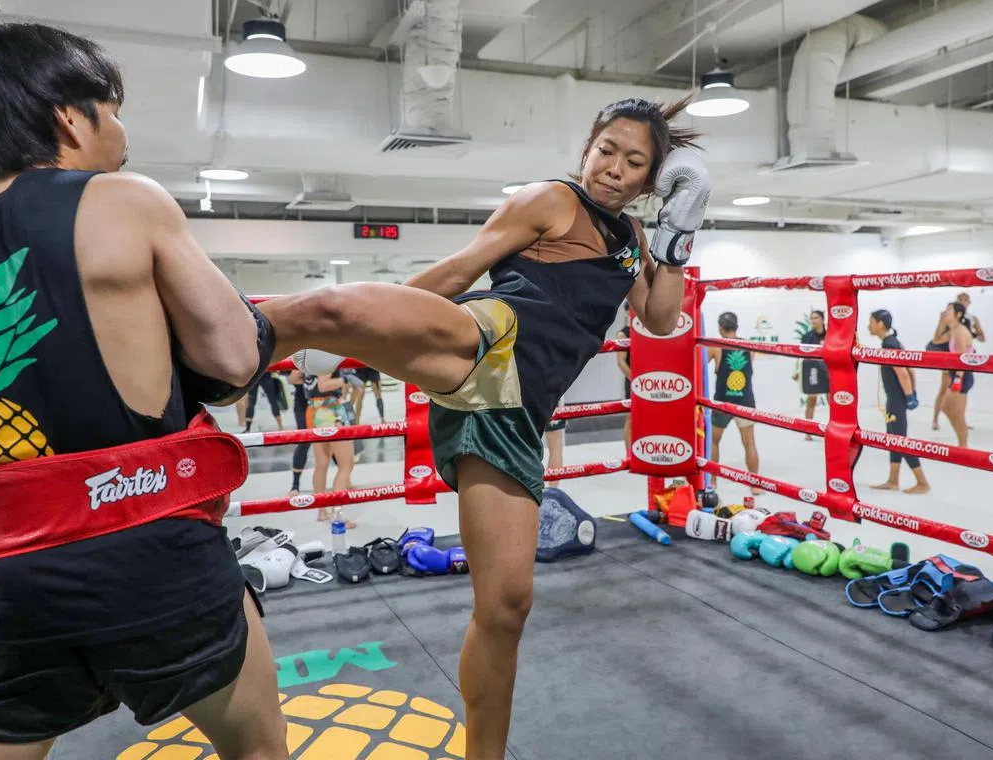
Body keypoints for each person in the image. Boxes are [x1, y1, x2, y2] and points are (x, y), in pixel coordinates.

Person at [0, 24, 291, 760]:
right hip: (160, 564)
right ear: (70, 115)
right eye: (116, 108)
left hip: (16, 587)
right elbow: (233, 359)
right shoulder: (126, 201)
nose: (123, 131)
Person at [294, 97, 708, 758]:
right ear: (587, 148)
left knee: (507, 607)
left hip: (514, 416)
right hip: (493, 341)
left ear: (649, 181)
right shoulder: (550, 200)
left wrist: (679, 237)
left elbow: (661, 320)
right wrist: (363, 334)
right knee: (342, 312)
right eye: (607, 151)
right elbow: (461, 270)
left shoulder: (633, 241)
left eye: (633, 163)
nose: (613, 170)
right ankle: (259, 332)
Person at [867, 310, 930, 494]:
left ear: (880, 324)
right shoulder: (892, 342)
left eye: (871, 321)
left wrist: (910, 396)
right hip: (893, 400)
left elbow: (902, 372)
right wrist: (912, 393)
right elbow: (910, 369)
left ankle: (922, 482)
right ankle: (893, 480)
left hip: (896, 401)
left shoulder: (890, 345)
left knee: (900, 441)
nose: (868, 325)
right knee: (893, 439)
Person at [706, 312, 762, 494]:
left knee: (713, 441)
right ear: (736, 326)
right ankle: (754, 485)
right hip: (745, 400)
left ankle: (712, 482)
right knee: (749, 443)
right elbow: (746, 368)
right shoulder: (748, 346)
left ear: (721, 328)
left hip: (723, 401)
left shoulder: (716, 346)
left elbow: (700, 366)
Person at [303, 370, 357, 524]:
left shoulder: (307, 353)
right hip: (331, 410)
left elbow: (294, 378)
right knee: (346, 465)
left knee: (322, 463)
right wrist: (344, 380)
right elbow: (323, 385)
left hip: (314, 410)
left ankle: (321, 511)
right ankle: (337, 515)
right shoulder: (328, 354)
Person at [928, 292, 985, 431]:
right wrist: (942, 322)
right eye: (961, 300)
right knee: (944, 389)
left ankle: (961, 423)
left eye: (966, 300)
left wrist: (975, 333)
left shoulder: (970, 321)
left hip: (961, 361)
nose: (964, 302)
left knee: (958, 394)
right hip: (947, 356)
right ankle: (936, 420)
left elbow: (981, 338)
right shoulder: (949, 319)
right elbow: (936, 340)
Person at [939, 301, 975, 448]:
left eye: (949, 310)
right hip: (957, 374)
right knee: (946, 408)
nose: (945, 312)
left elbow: (962, 357)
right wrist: (941, 322)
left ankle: (963, 446)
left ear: (958, 314)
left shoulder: (960, 331)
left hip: (962, 375)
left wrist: (958, 379)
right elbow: (936, 340)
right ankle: (962, 444)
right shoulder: (953, 330)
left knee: (957, 414)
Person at [798, 309, 828, 441]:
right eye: (812, 318)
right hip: (813, 371)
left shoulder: (831, 335)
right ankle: (808, 431)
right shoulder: (807, 336)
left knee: (832, 400)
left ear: (822, 319)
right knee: (811, 401)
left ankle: (835, 429)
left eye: (816, 317)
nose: (813, 320)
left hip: (828, 371)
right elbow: (802, 356)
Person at [615, 303, 633, 451]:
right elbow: (621, 362)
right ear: (627, 312)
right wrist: (636, 380)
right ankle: (629, 455)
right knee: (631, 418)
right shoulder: (623, 335)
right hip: (633, 381)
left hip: (647, 382)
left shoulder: (645, 332)